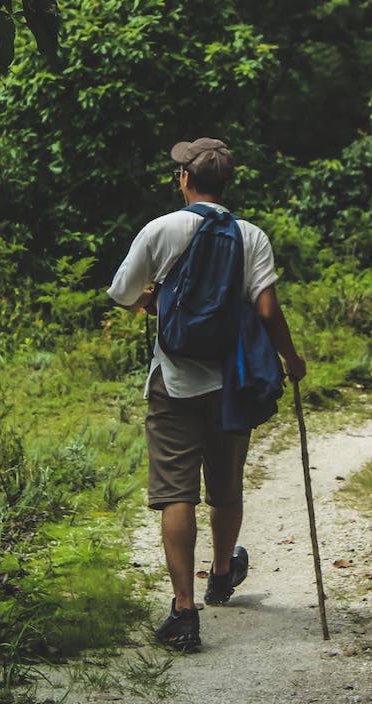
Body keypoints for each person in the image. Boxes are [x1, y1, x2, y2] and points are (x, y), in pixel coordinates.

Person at [108, 137, 306, 651]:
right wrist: (290, 357)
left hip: (173, 381)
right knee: (226, 484)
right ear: (226, 184)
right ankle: (221, 575)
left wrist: (152, 305)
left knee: (177, 492)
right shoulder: (251, 236)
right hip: (231, 383)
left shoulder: (162, 228)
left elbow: (122, 293)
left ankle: (184, 610)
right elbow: (266, 310)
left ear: (186, 180)